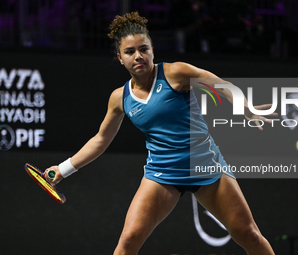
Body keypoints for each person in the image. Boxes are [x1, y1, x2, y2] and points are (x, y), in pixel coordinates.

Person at [45, 12, 276, 255]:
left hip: (206, 166)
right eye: (130, 51)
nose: (138, 56)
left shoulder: (175, 73)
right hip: (163, 174)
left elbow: (219, 84)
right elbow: (101, 139)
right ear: (119, 58)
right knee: (128, 241)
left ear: (152, 50)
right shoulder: (119, 98)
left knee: (248, 234)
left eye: (143, 49)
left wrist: (245, 108)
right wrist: (63, 169)